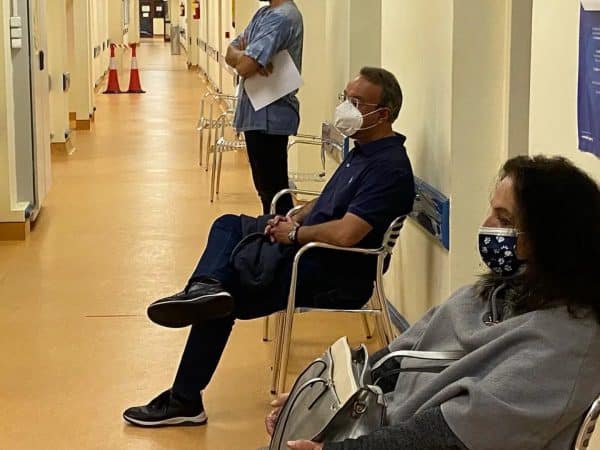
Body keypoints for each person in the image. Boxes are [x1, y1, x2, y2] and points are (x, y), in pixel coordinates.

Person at [122, 67, 415, 427]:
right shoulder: (363, 151)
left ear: (382, 114)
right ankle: (204, 287)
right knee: (228, 225)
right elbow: (329, 200)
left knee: (224, 298)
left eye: (356, 102)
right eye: (345, 98)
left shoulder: (388, 169)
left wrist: (294, 235)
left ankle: (185, 395)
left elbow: (346, 234)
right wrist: (295, 216)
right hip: (309, 248)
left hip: (332, 271)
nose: (346, 108)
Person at [266, 155, 600, 450]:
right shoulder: (483, 297)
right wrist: (316, 402)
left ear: (551, 239)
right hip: (386, 425)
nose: (486, 226)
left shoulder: (567, 343)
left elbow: (449, 434)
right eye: (491, 211)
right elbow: (394, 361)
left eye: (505, 220)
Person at [225, 0, 303, 215]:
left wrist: (246, 58)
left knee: (274, 192)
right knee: (266, 191)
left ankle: (281, 232)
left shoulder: (282, 18)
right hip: (257, 114)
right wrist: (244, 55)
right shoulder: (263, 14)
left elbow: (244, 67)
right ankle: (273, 230)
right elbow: (230, 52)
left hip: (269, 115)